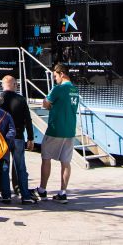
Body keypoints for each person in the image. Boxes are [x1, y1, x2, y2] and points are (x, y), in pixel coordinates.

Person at [37, 62, 79, 202]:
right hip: (70, 130)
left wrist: (48, 104)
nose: (55, 79)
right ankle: (62, 193)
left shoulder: (58, 89)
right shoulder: (75, 89)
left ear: (62, 74)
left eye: (55, 76)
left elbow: (46, 103)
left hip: (55, 129)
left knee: (46, 157)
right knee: (66, 162)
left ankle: (42, 190)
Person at [0, 74, 35, 204]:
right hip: (18, 138)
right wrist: (31, 138)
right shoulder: (21, 99)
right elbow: (28, 119)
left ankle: (6, 195)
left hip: (3, 139)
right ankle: (25, 196)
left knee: (4, 167)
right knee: (20, 167)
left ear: (3, 85)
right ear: (14, 85)